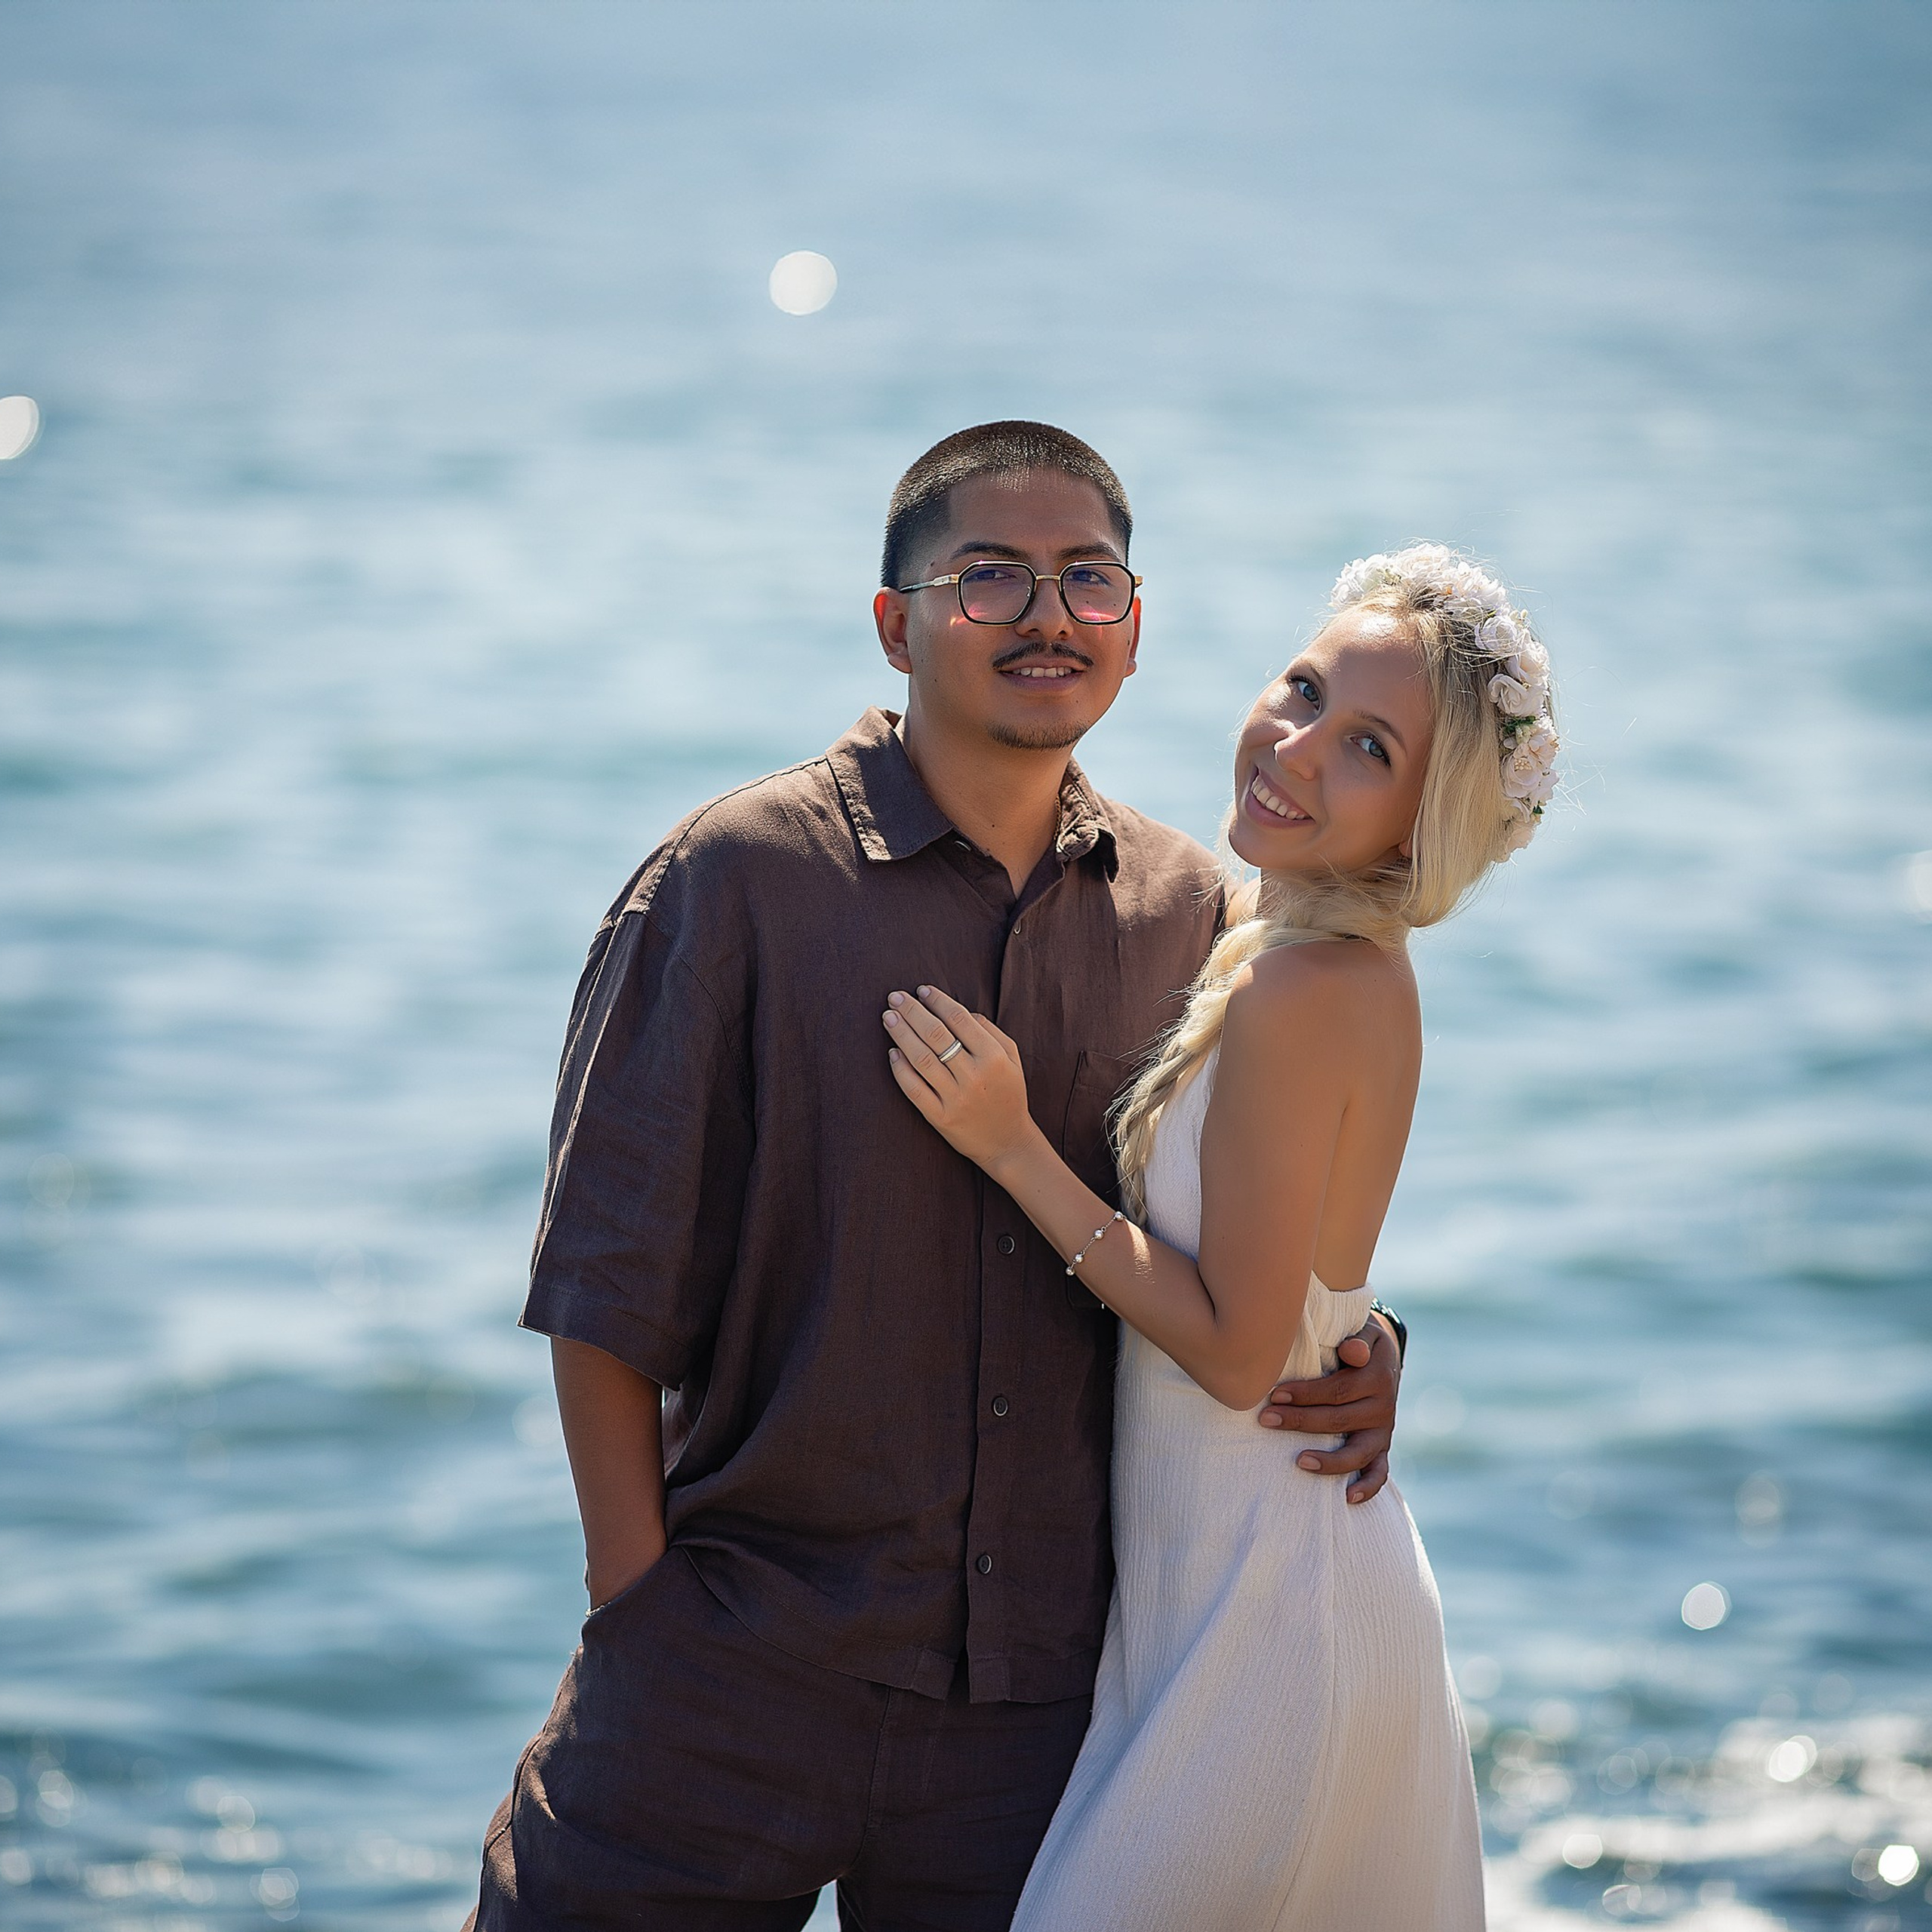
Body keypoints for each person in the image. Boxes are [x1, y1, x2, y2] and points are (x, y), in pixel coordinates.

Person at [465, 422, 1407, 1931]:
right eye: (989, 577)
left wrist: (1365, 1352)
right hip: (730, 1664)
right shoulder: (732, 879)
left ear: (1136, 628)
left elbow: (1254, 1231)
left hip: (1043, 1719)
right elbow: (601, 1289)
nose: (1046, 615)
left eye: (1086, 580)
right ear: (896, 623)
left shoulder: (1198, 921)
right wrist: (638, 1609)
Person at [878, 543, 1558, 1930]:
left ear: (1423, 825)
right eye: (1303, 687)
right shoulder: (1274, 936)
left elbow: (1246, 1354)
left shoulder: (1308, 988)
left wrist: (1013, 1149)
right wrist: (1367, 1337)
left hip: (1271, 1620)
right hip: (1229, 1594)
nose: (1295, 747)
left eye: (1364, 746)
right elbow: (1311, 1284)